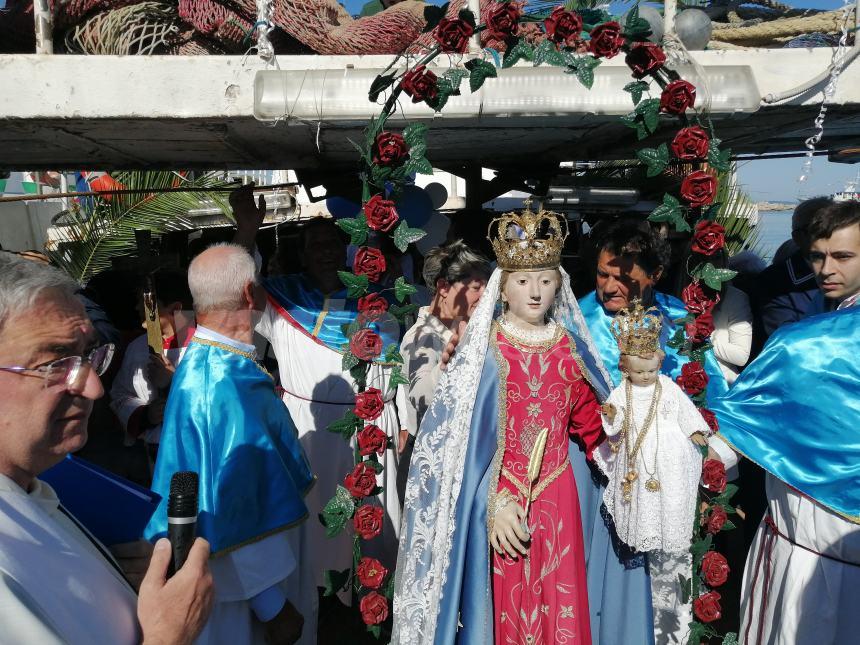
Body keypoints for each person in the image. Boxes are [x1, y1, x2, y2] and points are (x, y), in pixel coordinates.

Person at [392, 205, 614, 644]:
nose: (535, 292)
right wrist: (491, 503)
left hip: (559, 498)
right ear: (503, 288)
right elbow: (461, 447)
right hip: (501, 500)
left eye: (546, 281)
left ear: (560, 286)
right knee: (503, 607)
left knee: (562, 606)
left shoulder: (570, 349)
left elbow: (595, 428)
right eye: (523, 281)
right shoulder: (485, 353)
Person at [0, 252, 213, 644]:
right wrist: (171, 636)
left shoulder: (36, 489)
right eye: (53, 364)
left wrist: (117, 578)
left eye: (88, 357)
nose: (93, 388)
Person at [230, 185, 404, 642]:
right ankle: (310, 622)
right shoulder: (283, 300)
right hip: (308, 433)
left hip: (370, 429)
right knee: (311, 539)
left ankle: (380, 620)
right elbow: (237, 292)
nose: (326, 253)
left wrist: (400, 419)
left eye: (333, 244)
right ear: (303, 255)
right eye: (316, 246)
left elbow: (399, 364)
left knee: (375, 530)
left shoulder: (377, 301)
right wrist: (247, 230)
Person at [707, 200, 860, 644]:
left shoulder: (800, 345)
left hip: (810, 552)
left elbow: (732, 438)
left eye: (843, 256)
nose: (825, 269)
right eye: (817, 256)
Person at [145, 244, 314, 645]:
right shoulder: (216, 383)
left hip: (251, 574)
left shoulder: (221, 361)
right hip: (241, 591)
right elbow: (222, 506)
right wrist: (271, 605)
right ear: (249, 294)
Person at [577, 219, 727, 644]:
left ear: (654, 276)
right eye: (603, 274)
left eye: (623, 277)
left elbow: (710, 401)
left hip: (669, 483)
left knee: (667, 582)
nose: (609, 286)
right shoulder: (575, 323)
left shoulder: (680, 323)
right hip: (600, 477)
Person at [592, 301, 711, 644]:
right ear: (625, 367)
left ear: (659, 362)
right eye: (638, 371)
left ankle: (673, 619)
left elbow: (686, 412)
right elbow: (613, 427)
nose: (645, 377)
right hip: (638, 470)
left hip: (671, 467)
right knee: (642, 520)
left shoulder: (667, 388)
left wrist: (695, 431)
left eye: (650, 370)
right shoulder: (623, 392)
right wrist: (612, 414)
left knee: (671, 528)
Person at [397, 241, 491, 501]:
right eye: (475, 286)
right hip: (429, 464)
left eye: (486, 285)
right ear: (443, 287)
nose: (484, 293)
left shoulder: (464, 329)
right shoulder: (421, 338)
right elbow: (420, 398)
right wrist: (447, 367)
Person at [110, 270, 194, 466]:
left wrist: (174, 382)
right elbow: (120, 394)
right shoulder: (138, 346)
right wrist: (146, 416)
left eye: (145, 302)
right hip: (156, 458)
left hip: (198, 452)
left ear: (175, 308)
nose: (137, 306)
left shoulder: (206, 346)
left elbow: (222, 400)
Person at [751, 197, 832, 349]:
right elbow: (787, 342)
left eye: (835, 227)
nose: (829, 234)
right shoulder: (774, 282)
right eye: (818, 229)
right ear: (798, 237)